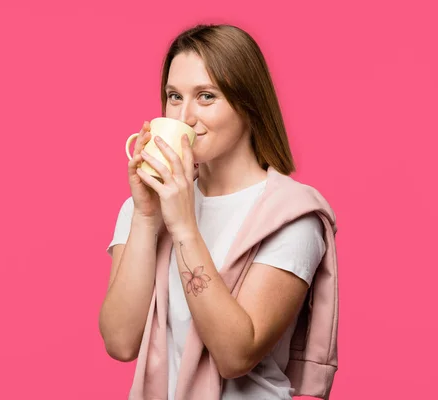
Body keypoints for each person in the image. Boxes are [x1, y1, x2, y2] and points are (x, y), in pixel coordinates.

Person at [99, 24, 333, 399]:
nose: (184, 116)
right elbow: (120, 342)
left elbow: (235, 355)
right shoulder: (145, 205)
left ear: (248, 103)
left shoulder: (292, 216)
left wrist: (184, 226)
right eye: (174, 96)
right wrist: (145, 218)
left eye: (206, 96)